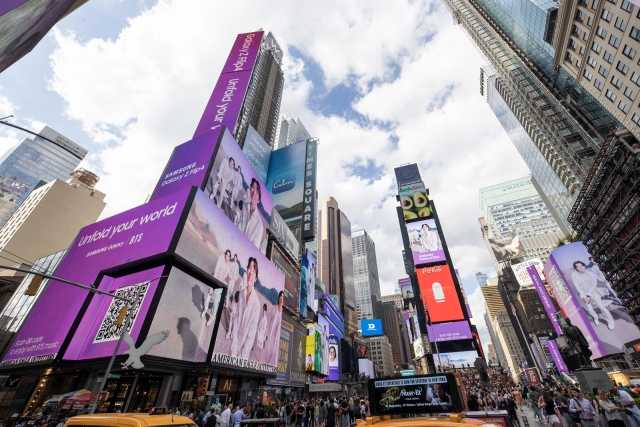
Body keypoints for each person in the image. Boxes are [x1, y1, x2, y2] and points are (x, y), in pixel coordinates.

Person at [571, 261, 615, 330]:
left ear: (584, 266)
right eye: (578, 267)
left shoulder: (591, 274)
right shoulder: (574, 274)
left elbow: (593, 286)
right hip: (583, 293)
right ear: (576, 269)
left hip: (593, 292)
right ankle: (595, 317)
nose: (580, 267)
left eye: (581, 265)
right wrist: (584, 296)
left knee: (601, 307)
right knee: (589, 308)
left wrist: (588, 295)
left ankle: (610, 321)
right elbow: (577, 287)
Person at [234, 258, 261, 359]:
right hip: (233, 347)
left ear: (255, 278)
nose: (251, 273)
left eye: (254, 271)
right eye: (250, 268)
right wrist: (233, 346)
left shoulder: (256, 304)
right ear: (246, 270)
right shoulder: (241, 294)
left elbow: (251, 335)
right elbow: (236, 321)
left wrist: (241, 357)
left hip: (242, 356)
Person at [239, 179, 265, 250]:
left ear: (259, 200)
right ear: (250, 189)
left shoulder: (260, 226)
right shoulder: (244, 207)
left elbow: (253, 250)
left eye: (257, 192)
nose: (254, 192)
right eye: (253, 187)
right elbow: (239, 226)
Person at [266, 291, 284, 365]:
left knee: (274, 361)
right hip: (271, 336)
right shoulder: (274, 308)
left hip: (277, 340)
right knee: (267, 357)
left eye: (283, 297)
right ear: (278, 297)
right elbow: (269, 321)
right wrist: (266, 336)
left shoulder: (283, 314)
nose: (282, 298)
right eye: (281, 296)